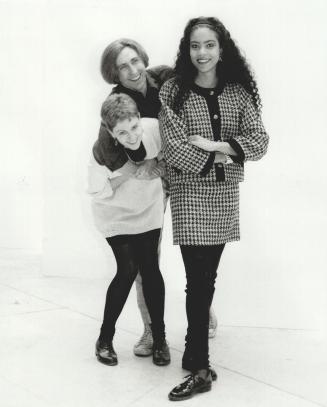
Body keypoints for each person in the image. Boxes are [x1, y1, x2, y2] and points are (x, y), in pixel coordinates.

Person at [159, 17, 269, 401]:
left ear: (222, 49)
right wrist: (220, 158)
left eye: (209, 45)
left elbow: (259, 141)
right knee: (199, 279)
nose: (201, 53)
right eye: (194, 45)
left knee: (207, 278)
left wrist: (214, 145)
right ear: (186, 49)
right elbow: (172, 146)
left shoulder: (238, 93)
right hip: (190, 195)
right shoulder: (173, 91)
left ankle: (193, 353)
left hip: (223, 198)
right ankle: (201, 368)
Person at [93, 38, 219, 357]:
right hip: (153, 185)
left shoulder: (163, 77)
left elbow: (200, 80)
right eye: (123, 66)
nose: (133, 69)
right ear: (114, 73)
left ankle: (203, 312)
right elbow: (106, 153)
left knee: (199, 243)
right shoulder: (117, 102)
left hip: (187, 170)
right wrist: (146, 165)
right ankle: (151, 331)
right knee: (146, 261)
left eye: (135, 60)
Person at [88, 93, 170, 367]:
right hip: (116, 213)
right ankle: (105, 338)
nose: (131, 136)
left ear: (139, 120)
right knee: (127, 269)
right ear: (111, 133)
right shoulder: (102, 152)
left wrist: (154, 164)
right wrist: (128, 171)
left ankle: (159, 339)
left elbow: (171, 156)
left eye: (134, 127)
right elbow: (97, 191)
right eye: (122, 133)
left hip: (147, 210)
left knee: (150, 269)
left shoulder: (153, 127)